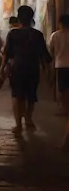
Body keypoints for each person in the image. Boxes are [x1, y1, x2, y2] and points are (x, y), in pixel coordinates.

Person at [1, 6, 52, 135]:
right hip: (33, 69)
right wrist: (47, 71)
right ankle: (28, 119)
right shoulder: (37, 34)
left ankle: (18, 124)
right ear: (32, 18)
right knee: (31, 96)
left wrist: (1, 68)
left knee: (17, 96)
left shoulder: (13, 33)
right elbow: (45, 56)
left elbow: (6, 53)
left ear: (19, 18)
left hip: (16, 69)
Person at [47, 14, 69, 150]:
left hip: (60, 66)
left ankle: (65, 109)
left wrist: (49, 70)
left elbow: (50, 52)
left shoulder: (55, 35)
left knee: (63, 91)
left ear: (60, 23)